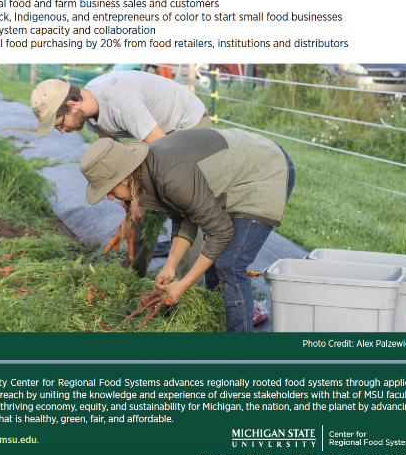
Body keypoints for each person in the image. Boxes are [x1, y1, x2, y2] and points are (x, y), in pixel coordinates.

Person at [78, 128, 295, 332]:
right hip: (236, 176)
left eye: (110, 189)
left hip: (264, 170)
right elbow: (184, 215)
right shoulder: (149, 174)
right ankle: (217, 325)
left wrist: (184, 284)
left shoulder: (169, 175)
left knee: (230, 265)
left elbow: (221, 232)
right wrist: (170, 266)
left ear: (125, 177)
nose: (110, 197)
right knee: (212, 265)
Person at [30, 71, 212, 278]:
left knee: (185, 205)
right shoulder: (90, 113)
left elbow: (166, 154)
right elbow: (115, 160)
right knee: (141, 207)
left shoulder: (120, 101)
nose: (62, 131)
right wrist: (132, 198)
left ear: (72, 105)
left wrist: (137, 195)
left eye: (60, 125)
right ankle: (132, 279)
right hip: (157, 134)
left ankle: (186, 290)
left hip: (187, 127)